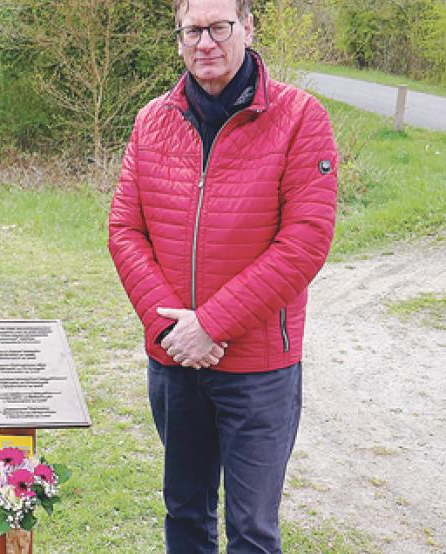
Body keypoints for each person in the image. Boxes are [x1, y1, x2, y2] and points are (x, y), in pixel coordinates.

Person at [107, 0, 337, 551]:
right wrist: (171, 331)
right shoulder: (151, 120)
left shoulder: (301, 117)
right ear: (178, 37)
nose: (205, 42)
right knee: (184, 514)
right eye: (192, 30)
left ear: (247, 27)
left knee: (252, 530)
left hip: (258, 367)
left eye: (218, 27)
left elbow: (305, 242)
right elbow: (125, 232)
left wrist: (210, 324)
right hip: (175, 362)